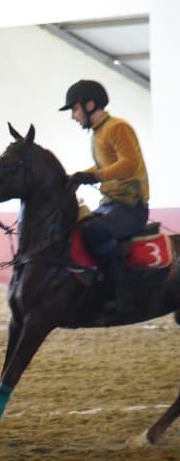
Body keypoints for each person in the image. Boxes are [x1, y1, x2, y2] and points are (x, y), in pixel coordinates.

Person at [62, 78, 148, 317]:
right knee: (81, 225)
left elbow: (129, 164)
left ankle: (123, 295)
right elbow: (104, 165)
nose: (73, 116)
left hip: (131, 207)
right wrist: (79, 176)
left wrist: (96, 175)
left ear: (90, 105)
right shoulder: (99, 133)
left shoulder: (118, 127)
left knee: (94, 230)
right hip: (111, 205)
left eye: (74, 109)